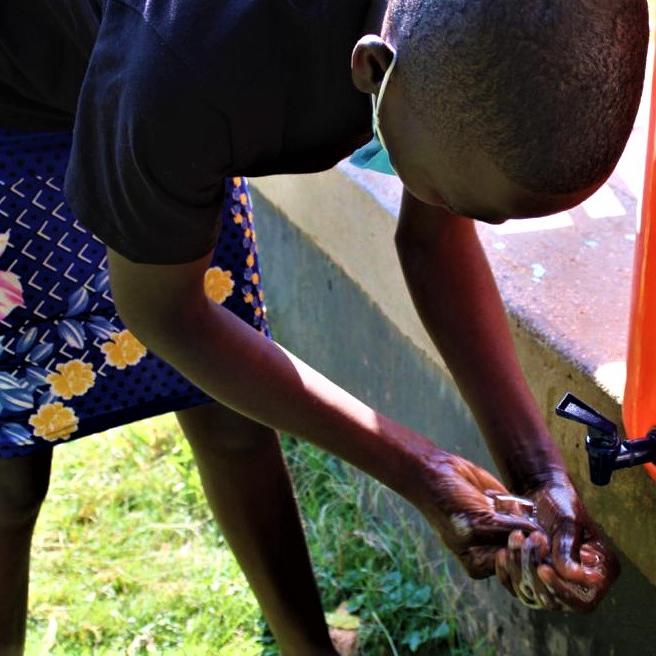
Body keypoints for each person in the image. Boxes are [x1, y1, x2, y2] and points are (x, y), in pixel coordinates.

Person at [0, 0, 647, 653]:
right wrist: (422, 472)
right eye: (457, 198)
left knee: (230, 414)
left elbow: (433, 243)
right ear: (372, 68)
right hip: (20, 89)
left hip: (166, 99)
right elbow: (165, 311)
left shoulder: (440, 50)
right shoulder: (186, 76)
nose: (465, 219)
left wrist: (541, 477)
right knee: (11, 472)